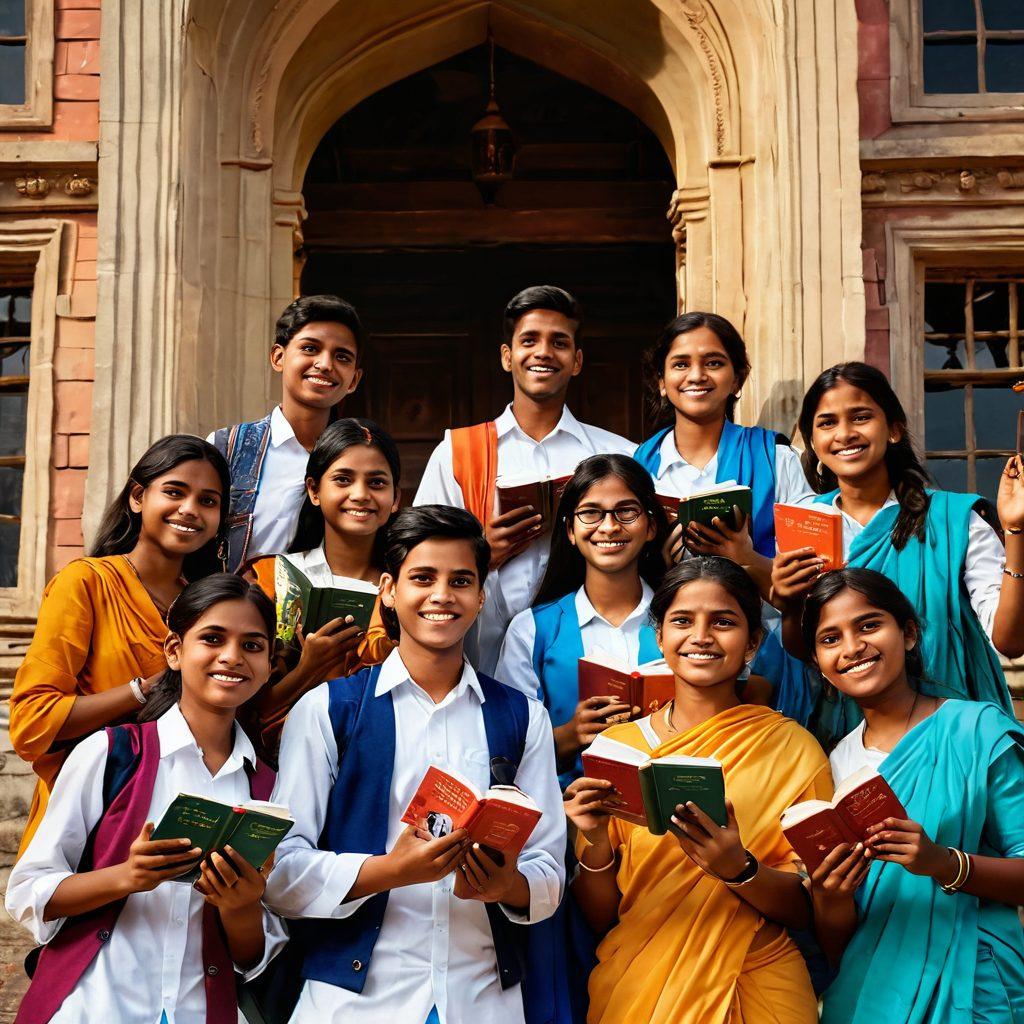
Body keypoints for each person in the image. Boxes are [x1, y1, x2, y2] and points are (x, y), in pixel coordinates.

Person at [264, 505, 565, 1024]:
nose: (442, 596)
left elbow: (550, 870)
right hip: (352, 1003)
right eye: (422, 578)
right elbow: (281, 873)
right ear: (388, 589)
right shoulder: (329, 710)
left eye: (461, 581)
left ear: (481, 598)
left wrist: (507, 886)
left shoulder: (522, 717)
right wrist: (389, 872)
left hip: (483, 998)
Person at [6, 574, 287, 1024]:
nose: (232, 657)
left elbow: (253, 955)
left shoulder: (269, 787)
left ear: (271, 663)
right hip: (93, 1005)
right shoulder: (110, 753)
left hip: (202, 1009)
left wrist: (240, 905)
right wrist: (127, 876)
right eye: (212, 638)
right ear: (174, 651)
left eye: (253, 645)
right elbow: (27, 891)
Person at [564, 557, 830, 1024]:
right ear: (659, 637)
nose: (702, 636)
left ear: (752, 643)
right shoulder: (617, 750)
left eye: (723, 622)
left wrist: (740, 868)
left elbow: (808, 908)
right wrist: (596, 842)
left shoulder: (793, 748)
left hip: (757, 983)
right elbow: (600, 916)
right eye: (682, 621)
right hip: (642, 986)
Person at [800, 568, 1024, 1023]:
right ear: (819, 664)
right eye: (830, 638)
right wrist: (830, 898)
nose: (852, 647)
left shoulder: (977, 729)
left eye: (868, 625)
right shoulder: (830, 766)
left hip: (975, 983)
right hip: (869, 995)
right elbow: (838, 941)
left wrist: (945, 863)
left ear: (908, 633)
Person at [772, 361, 1024, 744]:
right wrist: (789, 606)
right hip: (848, 733)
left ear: (893, 429)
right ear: (812, 442)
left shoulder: (954, 520)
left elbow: (1010, 640)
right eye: (827, 423)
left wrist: (1016, 529)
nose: (844, 433)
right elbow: (804, 649)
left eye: (860, 417)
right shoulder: (805, 525)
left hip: (951, 730)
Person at [9, 435, 230, 853]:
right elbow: (32, 720)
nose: (189, 510)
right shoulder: (87, 583)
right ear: (137, 497)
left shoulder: (211, 605)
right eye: (174, 492)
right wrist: (145, 689)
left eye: (208, 500)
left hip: (180, 821)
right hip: (90, 821)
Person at [414, 286, 634, 673]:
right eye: (529, 340)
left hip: (587, 658)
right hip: (474, 654)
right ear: (506, 356)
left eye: (559, 342)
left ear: (577, 360)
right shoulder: (457, 452)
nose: (543, 352)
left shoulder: (618, 454)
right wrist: (482, 553)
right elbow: (416, 555)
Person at [633, 311, 818, 721]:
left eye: (713, 362)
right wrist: (658, 566)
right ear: (661, 382)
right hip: (671, 649)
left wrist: (745, 557)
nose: (696, 375)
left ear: (737, 379)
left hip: (766, 656)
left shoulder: (777, 459)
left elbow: (817, 580)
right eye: (681, 364)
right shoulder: (636, 468)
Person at [495, 453, 669, 786]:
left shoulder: (682, 621)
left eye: (626, 511)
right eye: (590, 513)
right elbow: (506, 749)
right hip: (570, 820)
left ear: (651, 527)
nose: (609, 526)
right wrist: (569, 735)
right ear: (571, 531)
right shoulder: (531, 630)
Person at [248, 418, 400, 754]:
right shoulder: (272, 577)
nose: (360, 495)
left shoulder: (408, 589)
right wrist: (308, 667)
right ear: (315, 491)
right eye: (343, 480)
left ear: (395, 498)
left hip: (387, 755)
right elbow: (248, 705)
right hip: (283, 758)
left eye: (376, 482)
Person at [209, 295, 366, 572]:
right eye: (310, 348)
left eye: (342, 356)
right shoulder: (228, 448)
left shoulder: (363, 458)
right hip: (237, 609)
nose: (325, 364)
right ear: (278, 357)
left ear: (353, 379)